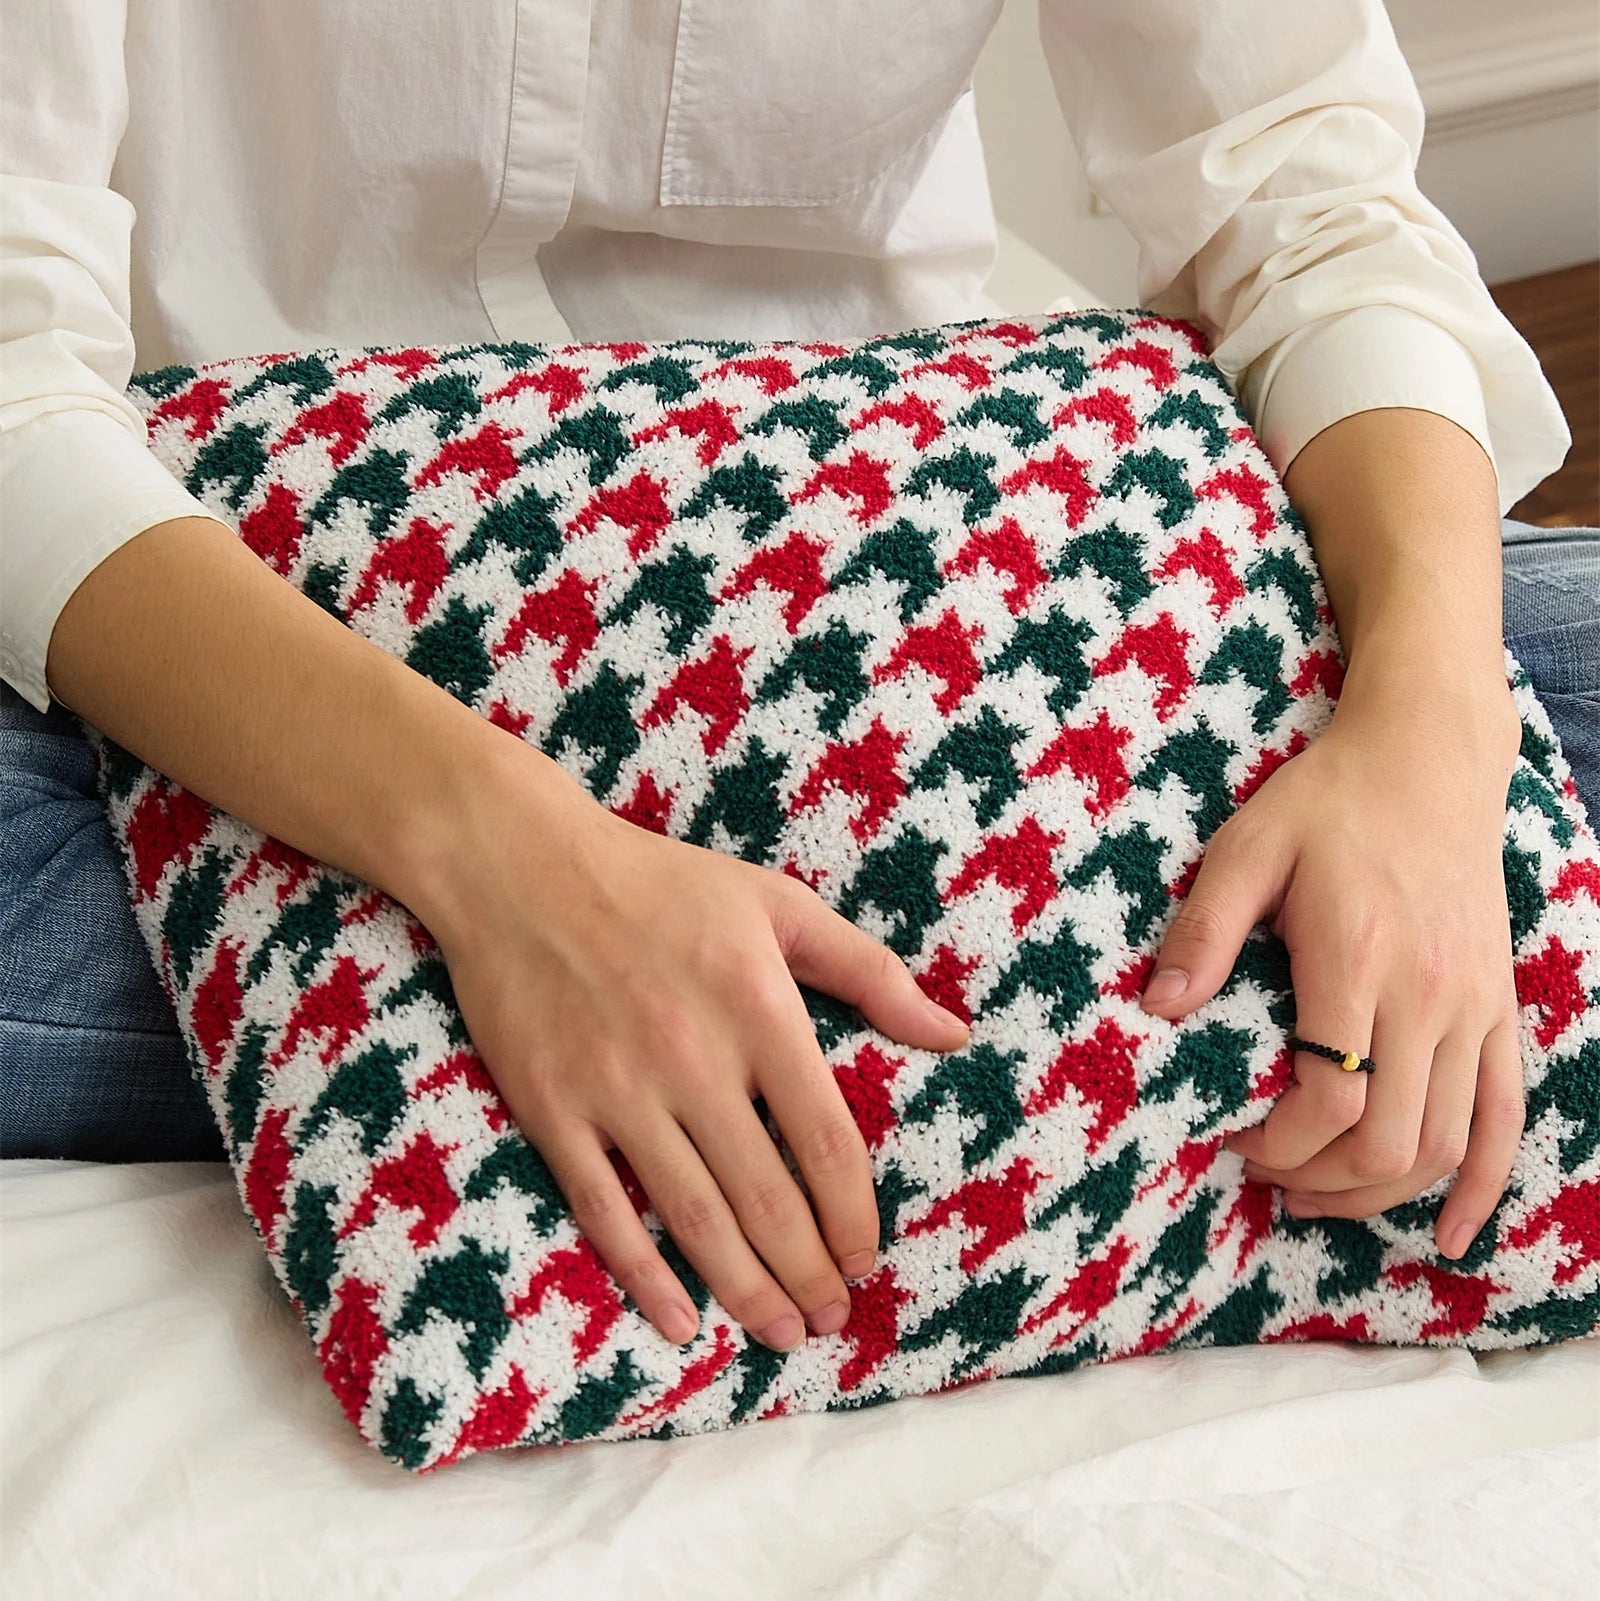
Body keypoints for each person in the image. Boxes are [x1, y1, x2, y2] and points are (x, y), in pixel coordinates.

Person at [2, 2, 1595, 1363]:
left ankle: (641, 1029)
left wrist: (1432, 727)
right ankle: (970, 1004)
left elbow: (1304, 193)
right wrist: (508, 868)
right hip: (273, 627)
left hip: (917, 573)